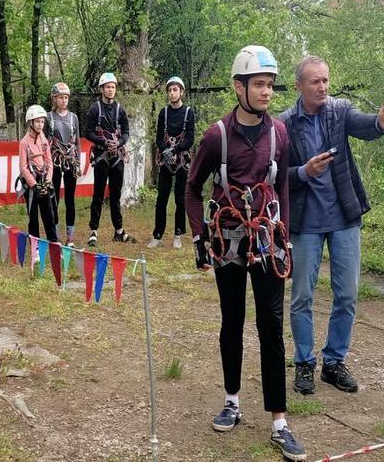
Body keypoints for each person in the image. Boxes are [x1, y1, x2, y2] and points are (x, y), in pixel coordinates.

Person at [185, 46, 306, 462]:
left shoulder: (280, 134)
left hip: (267, 239)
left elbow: (284, 187)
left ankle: (279, 421)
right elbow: (192, 187)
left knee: (271, 326)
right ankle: (232, 401)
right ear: (239, 87)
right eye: (259, 84)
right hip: (229, 242)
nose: (266, 92)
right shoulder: (216, 135)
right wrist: (201, 236)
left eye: (270, 85)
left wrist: (285, 236)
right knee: (232, 321)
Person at [280, 55, 384, 395]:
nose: (322, 87)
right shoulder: (285, 124)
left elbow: (363, 125)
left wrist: (379, 124)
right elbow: (275, 177)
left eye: (325, 81)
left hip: (344, 219)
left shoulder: (339, 110)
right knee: (302, 296)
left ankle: (334, 362)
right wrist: (305, 172)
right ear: (299, 86)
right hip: (305, 223)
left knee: (346, 294)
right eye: (315, 82)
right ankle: (304, 363)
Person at [84, 72, 136, 246]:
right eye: (107, 87)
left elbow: (127, 131)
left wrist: (119, 142)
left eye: (113, 87)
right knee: (98, 195)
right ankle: (93, 231)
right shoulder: (95, 109)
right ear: (101, 89)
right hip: (101, 157)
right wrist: (104, 142)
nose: (111, 90)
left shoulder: (120, 109)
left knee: (116, 195)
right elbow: (88, 132)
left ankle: (119, 231)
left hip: (117, 158)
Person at [148, 76, 196, 249]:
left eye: (175, 90)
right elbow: (159, 137)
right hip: (166, 160)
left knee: (180, 198)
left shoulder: (189, 112)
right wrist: (165, 151)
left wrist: (175, 150)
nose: (172, 93)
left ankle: (177, 234)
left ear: (181, 92)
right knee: (162, 197)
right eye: (169, 90)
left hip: (182, 159)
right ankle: (158, 235)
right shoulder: (164, 113)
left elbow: (190, 138)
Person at [19, 105, 60, 258]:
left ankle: (54, 245)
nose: (40, 125)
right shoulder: (24, 143)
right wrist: (34, 185)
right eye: (37, 122)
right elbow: (23, 167)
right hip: (32, 184)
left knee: (49, 214)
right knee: (33, 217)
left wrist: (48, 181)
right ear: (30, 122)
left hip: (44, 181)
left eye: (42, 122)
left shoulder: (44, 139)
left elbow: (49, 161)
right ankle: (35, 249)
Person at [47, 82, 81, 247]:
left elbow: (77, 142)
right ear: (54, 99)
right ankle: (55, 236)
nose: (64, 100)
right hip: (54, 161)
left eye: (66, 97)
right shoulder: (49, 117)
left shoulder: (73, 117)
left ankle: (70, 237)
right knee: (53, 199)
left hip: (71, 162)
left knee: (70, 199)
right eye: (61, 97)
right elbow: (45, 142)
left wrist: (79, 163)